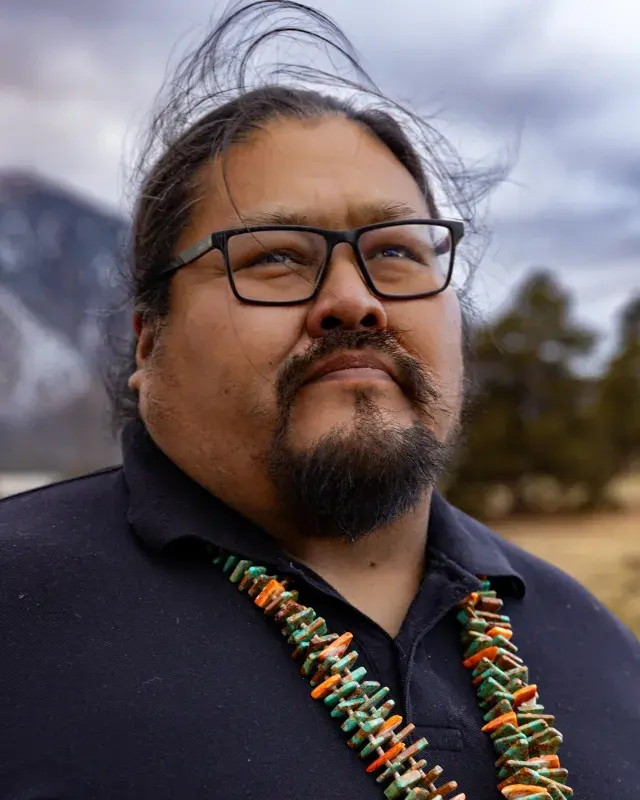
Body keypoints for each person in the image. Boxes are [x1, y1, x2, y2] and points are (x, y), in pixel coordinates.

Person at [1, 2, 638, 799]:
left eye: (397, 252)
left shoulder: (603, 651)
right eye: (275, 257)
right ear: (148, 340)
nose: (355, 300)